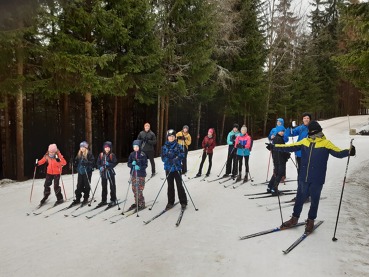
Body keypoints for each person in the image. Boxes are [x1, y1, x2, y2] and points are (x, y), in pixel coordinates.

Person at [273, 121, 356, 234]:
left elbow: (338, 153)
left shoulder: (326, 143)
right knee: (299, 199)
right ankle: (294, 218)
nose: (310, 133)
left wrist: (349, 151)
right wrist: (275, 146)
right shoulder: (305, 141)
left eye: (311, 131)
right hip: (304, 177)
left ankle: (311, 220)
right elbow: (289, 147)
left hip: (317, 178)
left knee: (314, 200)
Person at [161, 129, 187, 210]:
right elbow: (163, 157)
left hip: (177, 168)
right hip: (168, 168)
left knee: (179, 185)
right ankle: (170, 202)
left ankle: (183, 202)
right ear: (167, 137)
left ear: (175, 137)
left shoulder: (178, 146)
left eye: (172, 136)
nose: (171, 138)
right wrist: (169, 160)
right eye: (169, 136)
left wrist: (177, 158)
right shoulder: (164, 147)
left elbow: (183, 154)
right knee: (170, 186)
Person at [266, 126, 290, 195]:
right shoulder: (279, 139)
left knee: (276, 173)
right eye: (281, 131)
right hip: (280, 159)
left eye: (283, 131)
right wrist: (287, 154)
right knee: (280, 173)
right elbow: (282, 149)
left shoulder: (275, 138)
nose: (282, 132)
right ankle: (274, 188)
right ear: (278, 131)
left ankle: (270, 187)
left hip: (276, 159)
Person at [71, 141, 95, 206]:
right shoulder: (79, 154)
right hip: (80, 172)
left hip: (87, 172)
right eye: (81, 147)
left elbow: (92, 163)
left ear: (86, 148)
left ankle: (86, 198)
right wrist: (74, 163)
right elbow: (76, 162)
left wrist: (86, 163)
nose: (82, 148)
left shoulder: (89, 154)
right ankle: (78, 198)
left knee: (87, 185)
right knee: (79, 185)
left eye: (83, 147)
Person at [127, 140, 148, 211]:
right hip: (133, 174)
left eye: (137, 146)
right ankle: (137, 202)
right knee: (134, 189)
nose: (135, 148)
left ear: (139, 147)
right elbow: (128, 163)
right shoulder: (131, 154)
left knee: (139, 189)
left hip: (140, 174)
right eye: (134, 147)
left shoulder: (142, 154)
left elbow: (145, 165)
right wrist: (132, 165)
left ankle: (141, 203)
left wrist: (139, 167)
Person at [96, 141, 118, 207]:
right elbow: (98, 163)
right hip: (103, 173)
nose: (107, 149)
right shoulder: (101, 155)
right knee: (104, 187)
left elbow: (115, 163)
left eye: (108, 147)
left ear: (110, 148)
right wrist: (100, 167)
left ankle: (113, 199)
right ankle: (104, 200)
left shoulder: (112, 155)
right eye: (106, 147)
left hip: (110, 172)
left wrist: (109, 165)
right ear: (104, 148)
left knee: (112, 186)